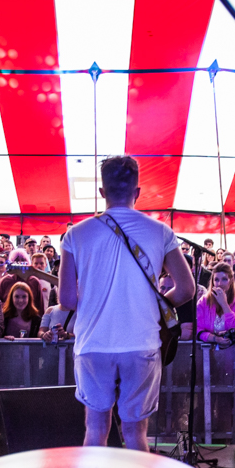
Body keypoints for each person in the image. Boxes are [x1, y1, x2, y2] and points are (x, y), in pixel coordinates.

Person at [58, 155, 196, 452]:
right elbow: (186, 289)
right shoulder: (160, 231)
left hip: (93, 344)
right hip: (141, 343)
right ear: (137, 192)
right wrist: (157, 308)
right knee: (135, 435)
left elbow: (67, 300)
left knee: (95, 431)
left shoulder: (75, 234)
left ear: (102, 192)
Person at [194, 263, 235, 349]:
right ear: (212, 281)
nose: (219, 283)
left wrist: (224, 305)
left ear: (231, 281)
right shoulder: (203, 302)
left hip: (234, 351)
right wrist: (215, 338)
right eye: (216, 280)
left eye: (224, 279)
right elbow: (197, 329)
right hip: (208, 351)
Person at [0, 248, 46, 314]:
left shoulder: (34, 281)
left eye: (22, 260)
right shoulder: (5, 281)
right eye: (16, 260)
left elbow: (40, 306)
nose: (19, 262)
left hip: (30, 320)